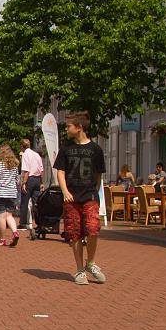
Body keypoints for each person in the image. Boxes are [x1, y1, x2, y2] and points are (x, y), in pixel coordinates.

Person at [54, 111, 107, 285]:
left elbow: (98, 174)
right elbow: (60, 171)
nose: (66, 129)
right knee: (74, 232)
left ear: (79, 127)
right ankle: (79, 270)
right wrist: (64, 191)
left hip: (89, 196)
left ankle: (90, 263)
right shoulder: (66, 148)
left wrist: (95, 192)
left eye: (68, 126)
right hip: (71, 197)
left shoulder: (95, 149)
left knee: (93, 228)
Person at [0, 145, 21, 247]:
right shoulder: (14, 165)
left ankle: (2, 239)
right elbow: (17, 179)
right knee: (9, 215)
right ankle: (15, 232)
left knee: (1, 216)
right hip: (12, 193)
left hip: (0, 193)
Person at [19, 137, 44, 231]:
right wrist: (41, 182)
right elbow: (41, 170)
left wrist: (24, 183)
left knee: (24, 202)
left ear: (22, 146)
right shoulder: (36, 154)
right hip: (37, 179)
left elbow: (26, 170)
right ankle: (40, 223)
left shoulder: (25, 155)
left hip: (29, 179)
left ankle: (23, 223)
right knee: (36, 203)